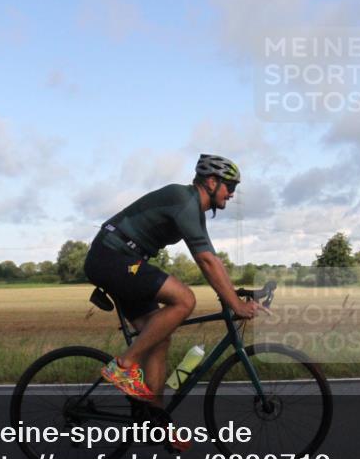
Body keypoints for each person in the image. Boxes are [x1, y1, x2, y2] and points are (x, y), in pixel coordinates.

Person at [84, 154, 265, 421]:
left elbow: (213, 259)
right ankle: (124, 365)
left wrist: (234, 293)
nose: (232, 195)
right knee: (184, 299)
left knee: (158, 335)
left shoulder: (193, 209)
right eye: (231, 187)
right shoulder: (184, 201)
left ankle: (154, 418)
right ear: (212, 182)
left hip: (125, 260)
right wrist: (235, 306)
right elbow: (204, 261)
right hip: (112, 256)